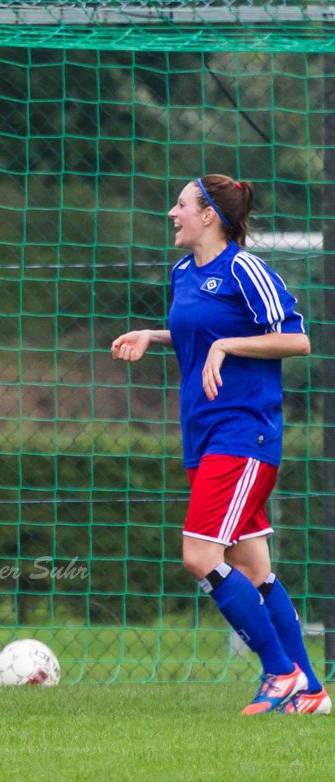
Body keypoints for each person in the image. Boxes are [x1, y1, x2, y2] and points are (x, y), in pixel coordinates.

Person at [110, 173, 324, 715]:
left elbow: (298, 338)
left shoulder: (244, 267)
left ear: (209, 215)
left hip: (244, 434)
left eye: (180, 204)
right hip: (204, 437)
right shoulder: (185, 272)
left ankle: (281, 673)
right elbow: (198, 333)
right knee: (254, 571)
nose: (171, 213)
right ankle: (314, 691)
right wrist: (152, 335)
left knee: (200, 556)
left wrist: (228, 345)